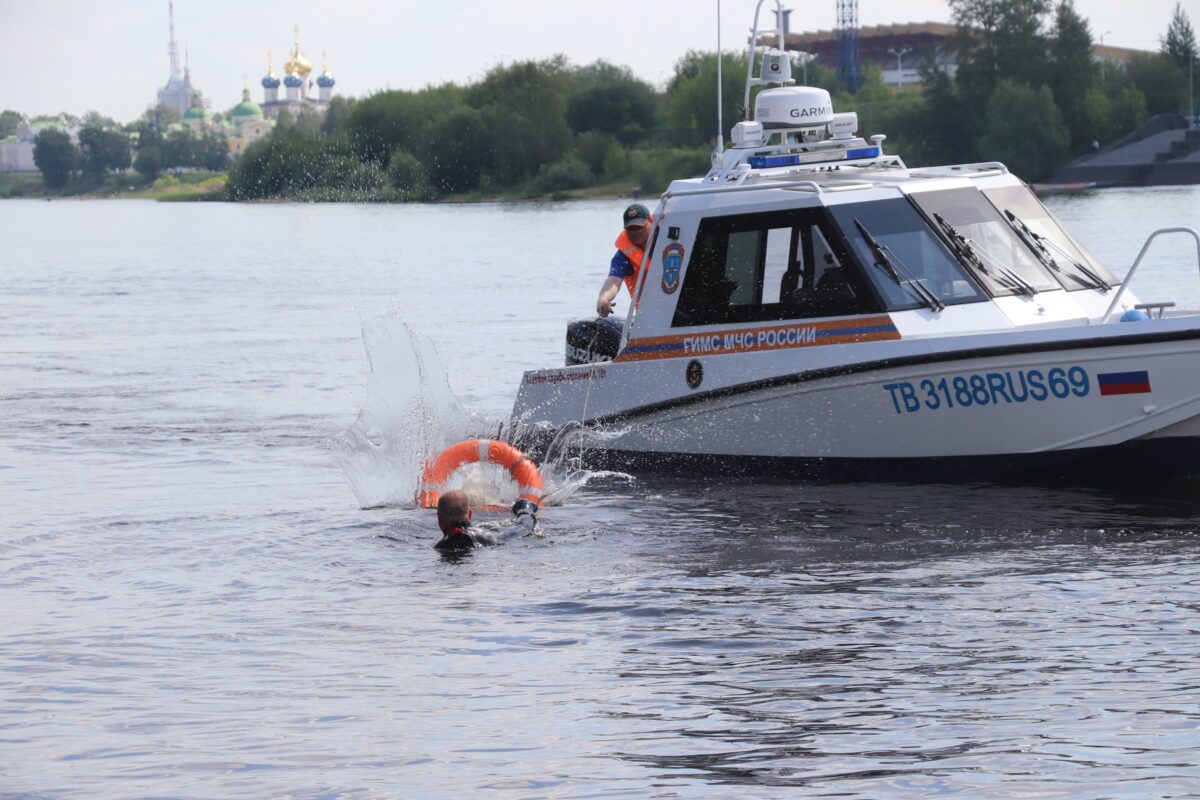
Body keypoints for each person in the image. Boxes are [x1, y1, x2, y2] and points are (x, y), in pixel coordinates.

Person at [596, 203, 653, 318]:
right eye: (630, 228)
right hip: (651, 313)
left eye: (639, 227)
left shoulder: (669, 238)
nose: (635, 232)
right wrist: (603, 299)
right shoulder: (623, 256)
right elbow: (613, 281)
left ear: (650, 222)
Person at [433, 489, 536, 551]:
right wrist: (524, 510)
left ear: (439, 518)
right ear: (470, 514)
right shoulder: (491, 535)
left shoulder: (442, 547)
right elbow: (524, 528)